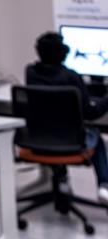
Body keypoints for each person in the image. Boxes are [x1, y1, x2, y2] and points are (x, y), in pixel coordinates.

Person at [26, 32, 108, 204]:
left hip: (38, 141)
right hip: (71, 143)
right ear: (64, 53)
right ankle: (104, 185)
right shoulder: (71, 77)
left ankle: (61, 181)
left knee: (58, 129)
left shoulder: (30, 73)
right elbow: (90, 113)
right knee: (96, 137)